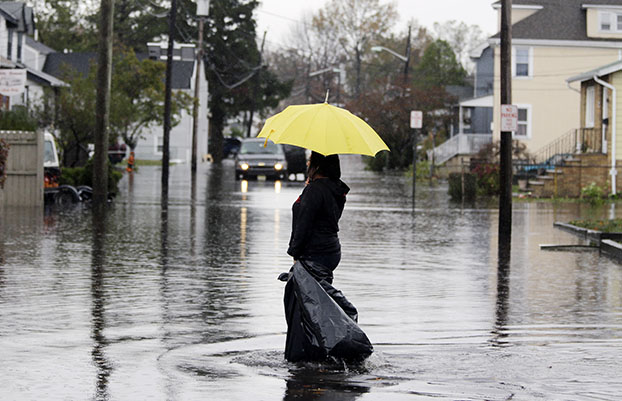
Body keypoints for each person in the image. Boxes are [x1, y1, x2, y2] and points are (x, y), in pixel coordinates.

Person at [287, 151, 349, 278]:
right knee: (320, 293)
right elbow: (326, 217)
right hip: (332, 251)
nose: (307, 163)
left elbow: (304, 224)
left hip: (314, 253)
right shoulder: (336, 188)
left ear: (318, 165)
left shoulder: (315, 190)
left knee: (308, 296)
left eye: (311, 160)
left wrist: (295, 253)